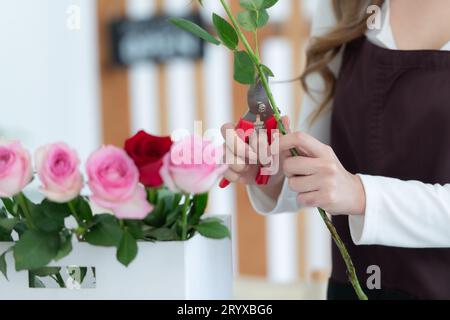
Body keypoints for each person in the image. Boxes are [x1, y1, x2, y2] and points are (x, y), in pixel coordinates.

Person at [221, 0, 450, 300]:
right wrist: (275, 169)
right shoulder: (348, 5)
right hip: (351, 290)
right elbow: (322, 156)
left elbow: (346, 188)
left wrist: (361, 194)